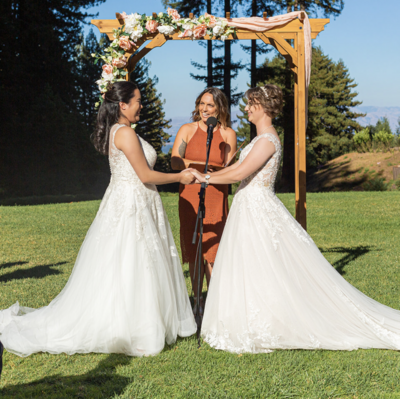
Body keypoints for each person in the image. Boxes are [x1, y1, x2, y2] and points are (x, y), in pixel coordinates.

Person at [190, 84, 400, 353]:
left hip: (257, 208)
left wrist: (204, 177)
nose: (245, 109)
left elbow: (239, 173)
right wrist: (206, 177)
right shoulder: (259, 139)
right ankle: (252, 316)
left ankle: (270, 320)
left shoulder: (267, 141)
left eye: (250, 104)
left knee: (264, 264)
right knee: (252, 265)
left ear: (263, 107)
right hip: (248, 207)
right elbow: (236, 172)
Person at [0, 81, 196, 358]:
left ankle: (141, 321)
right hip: (130, 203)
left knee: (136, 262)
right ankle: (134, 327)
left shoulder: (122, 131)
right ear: (123, 105)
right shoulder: (125, 133)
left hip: (135, 200)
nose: (142, 105)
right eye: (138, 100)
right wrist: (180, 177)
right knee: (134, 259)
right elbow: (146, 175)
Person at [171, 88, 237, 315]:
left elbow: (230, 169)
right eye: (201, 103)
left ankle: (214, 302)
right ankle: (197, 300)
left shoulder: (228, 134)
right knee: (194, 244)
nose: (204, 109)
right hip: (190, 193)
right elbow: (175, 162)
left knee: (214, 248)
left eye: (210, 105)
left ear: (220, 108)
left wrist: (211, 171)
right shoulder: (187, 130)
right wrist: (198, 166)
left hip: (216, 193)